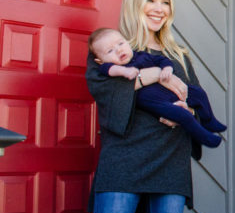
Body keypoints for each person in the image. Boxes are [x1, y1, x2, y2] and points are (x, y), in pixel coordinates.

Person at [60, 0, 215, 213]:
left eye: (165, 1)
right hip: (124, 161)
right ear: (135, 2)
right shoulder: (113, 50)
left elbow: (198, 104)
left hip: (170, 163)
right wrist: (149, 78)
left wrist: (186, 113)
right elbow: (107, 98)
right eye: (151, 0)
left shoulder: (178, 54)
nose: (159, 9)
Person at [88, 27, 226, 147]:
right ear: (100, 61)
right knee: (181, 115)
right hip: (151, 100)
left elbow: (161, 60)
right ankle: (205, 137)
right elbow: (111, 70)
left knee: (198, 94)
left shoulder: (140, 55)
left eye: (120, 44)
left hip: (168, 93)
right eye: (110, 51)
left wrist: (166, 69)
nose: (118, 50)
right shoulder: (109, 67)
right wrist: (125, 71)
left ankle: (209, 120)